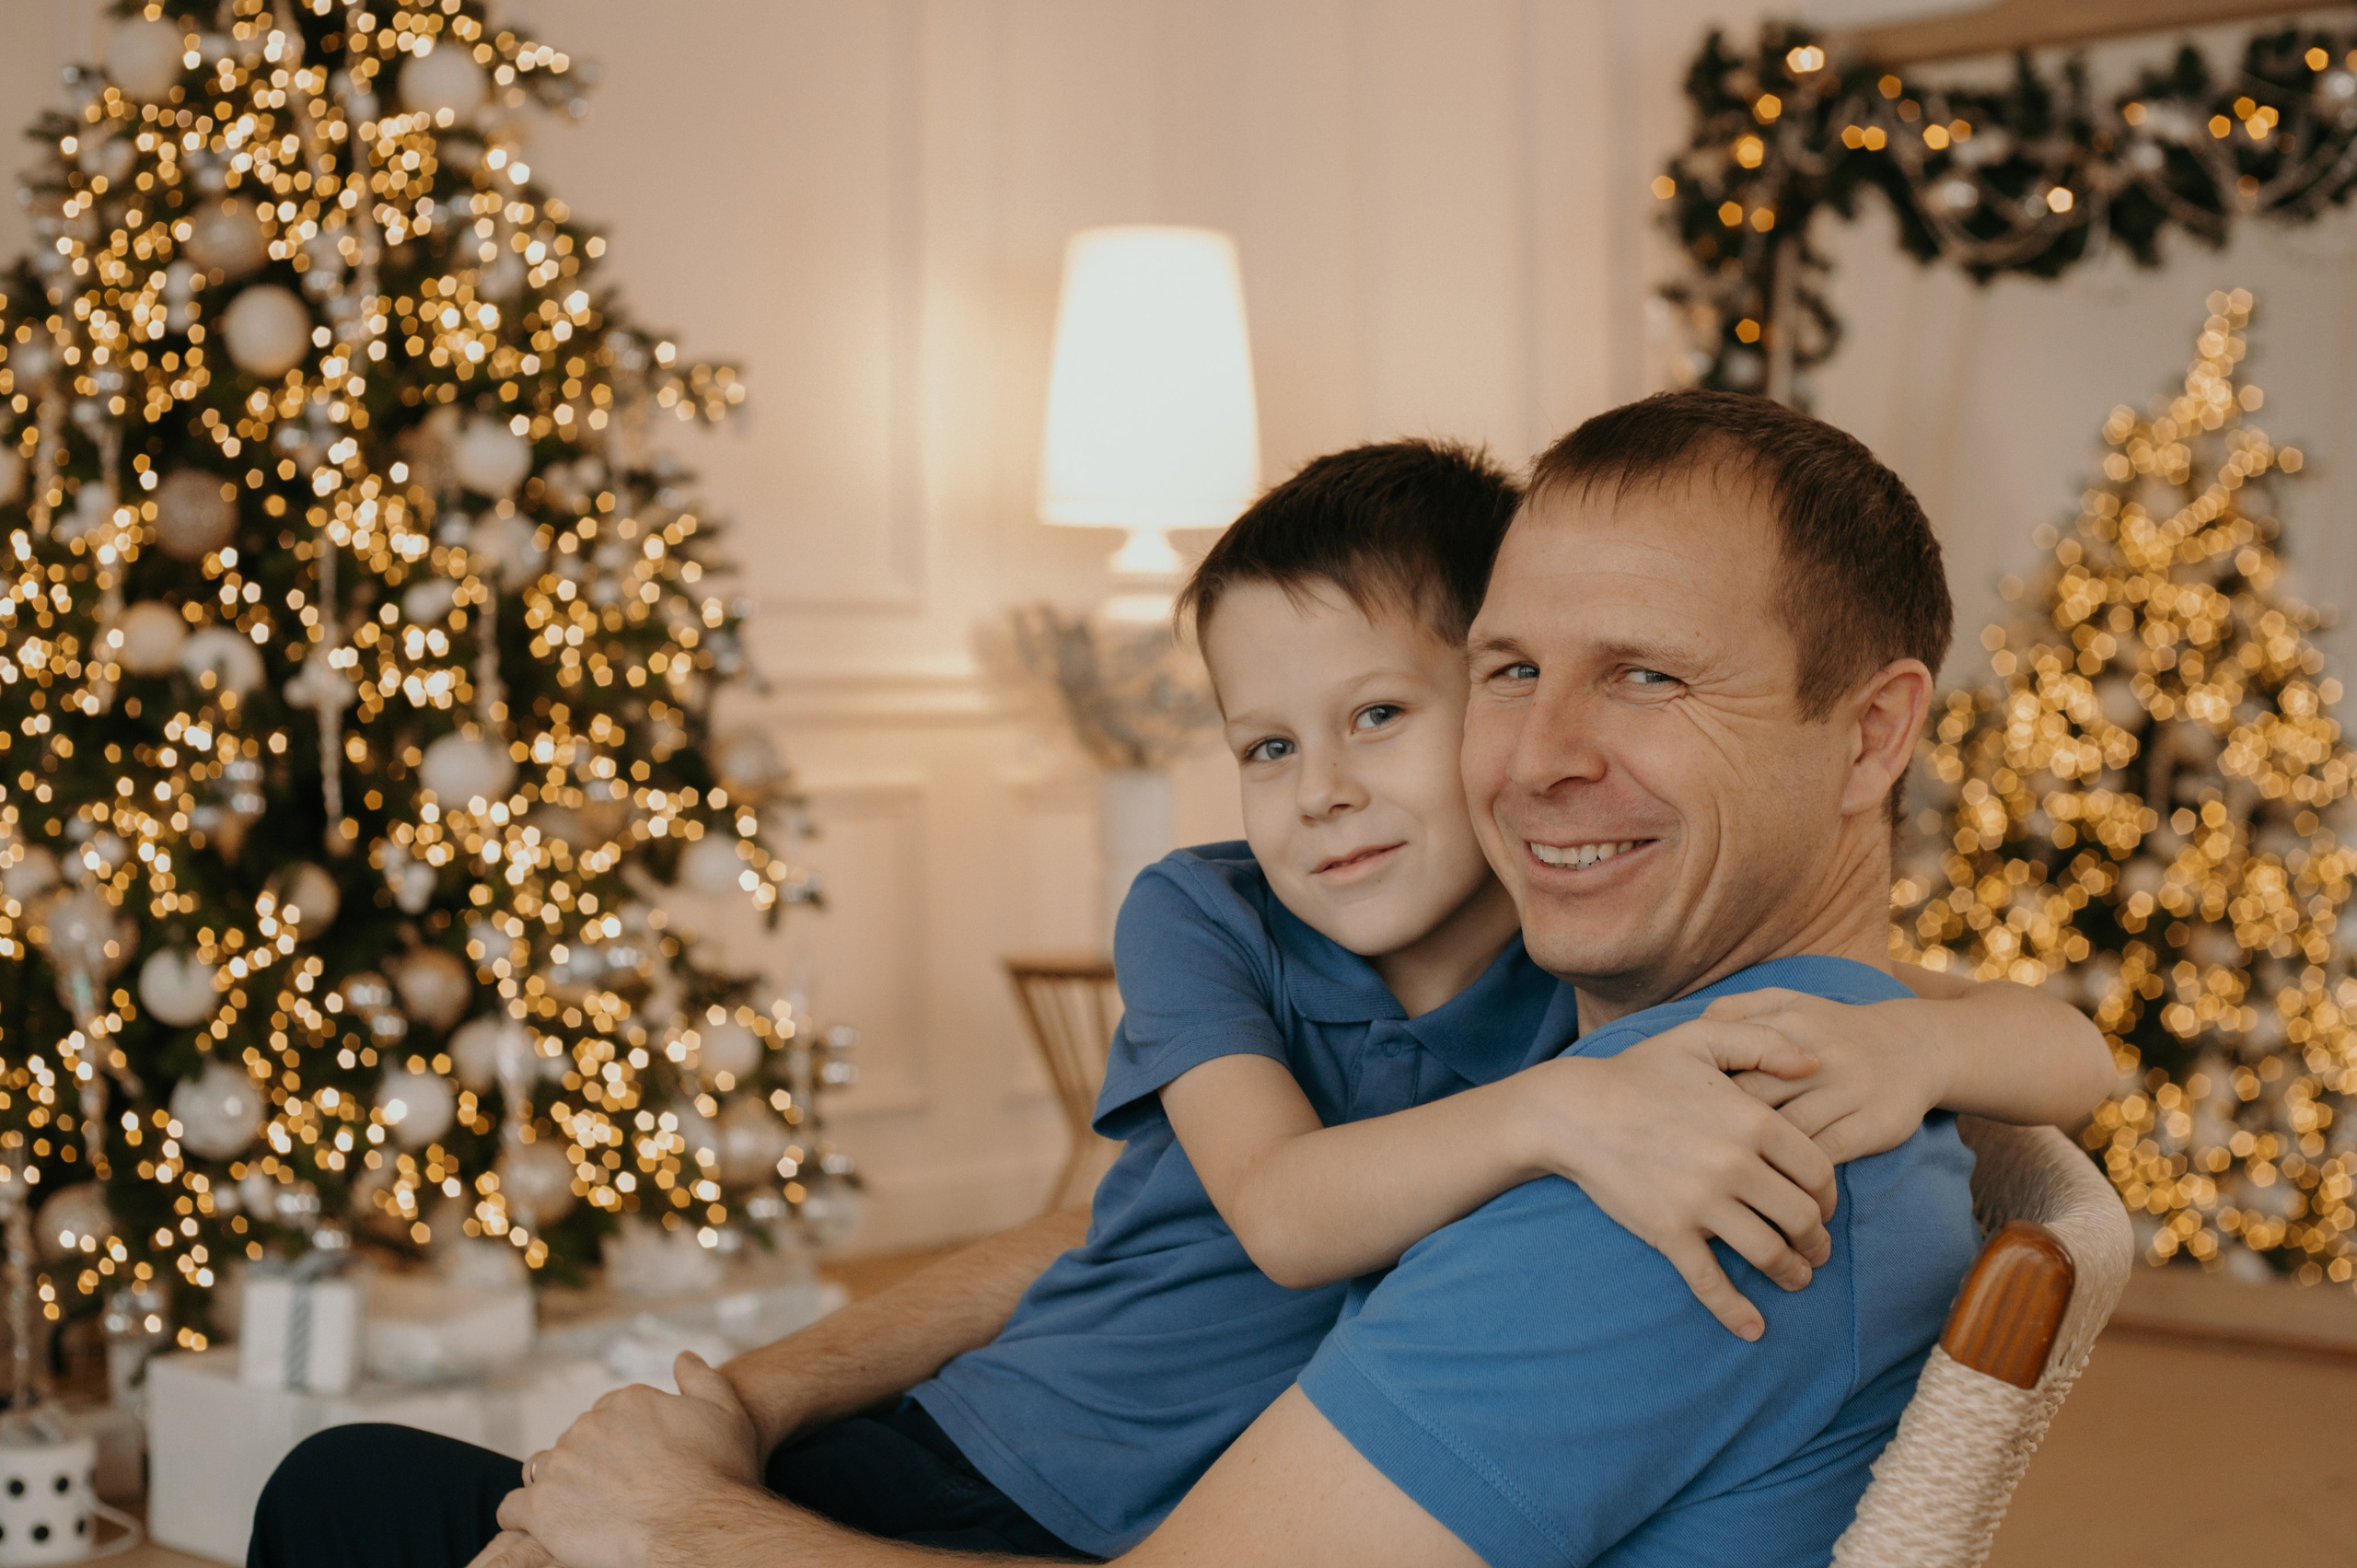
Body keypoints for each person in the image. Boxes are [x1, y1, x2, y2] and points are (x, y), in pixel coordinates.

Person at [254, 406, 2107, 1568]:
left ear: (1870, 734)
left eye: (1643, 678)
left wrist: (684, 1526)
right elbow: (1148, 1230)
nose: (1531, 757)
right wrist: (754, 1398)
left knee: (365, 1511)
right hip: (1026, 1453)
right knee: (379, 1494)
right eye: (1513, 671)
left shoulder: (1697, 1166)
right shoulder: (1696, 1033)